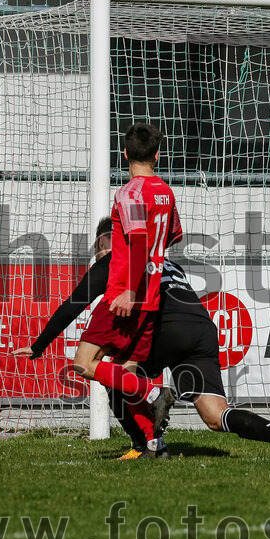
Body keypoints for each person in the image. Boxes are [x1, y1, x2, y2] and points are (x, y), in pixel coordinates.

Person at [13, 217, 270, 459]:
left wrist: (40, 345)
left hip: (164, 326)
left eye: (98, 246)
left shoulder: (116, 260)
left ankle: (147, 445)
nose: (98, 253)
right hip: (200, 328)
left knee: (116, 374)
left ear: (106, 240)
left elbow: (74, 304)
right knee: (215, 416)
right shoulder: (167, 263)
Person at [71, 122, 183, 453]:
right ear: (158, 156)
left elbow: (136, 241)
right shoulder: (165, 191)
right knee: (125, 371)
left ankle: (154, 393)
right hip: (152, 296)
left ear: (124, 154)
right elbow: (173, 234)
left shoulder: (130, 193)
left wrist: (129, 290)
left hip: (125, 294)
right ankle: (153, 442)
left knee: (84, 363)